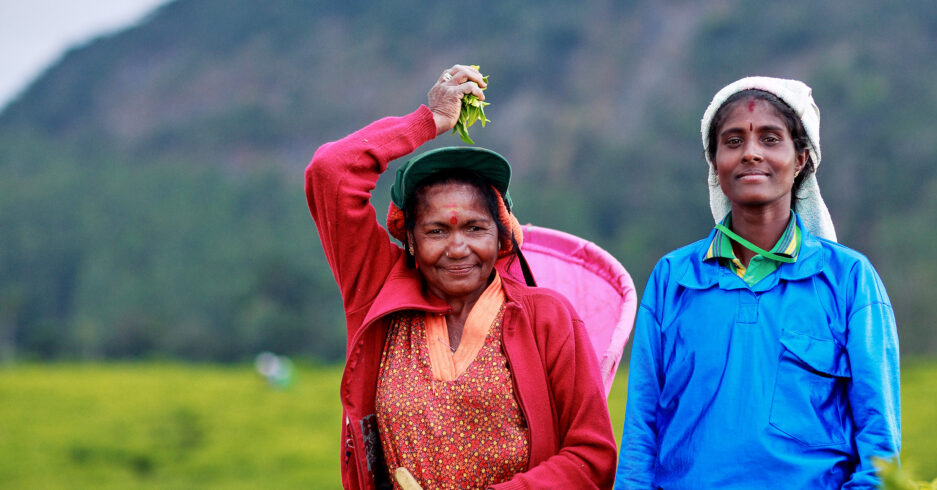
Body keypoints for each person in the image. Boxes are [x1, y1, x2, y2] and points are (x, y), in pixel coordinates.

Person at [305, 64, 617, 490]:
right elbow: (331, 172)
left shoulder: (547, 318)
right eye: (436, 231)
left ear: (502, 235)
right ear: (409, 239)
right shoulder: (379, 290)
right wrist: (428, 121)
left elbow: (591, 458)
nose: (457, 248)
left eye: (475, 228)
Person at [616, 76, 901, 489]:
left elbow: (880, 449)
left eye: (770, 139)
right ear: (714, 162)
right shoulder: (673, 279)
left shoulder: (849, 281)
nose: (751, 153)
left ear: (801, 158)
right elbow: (641, 432)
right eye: (733, 142)